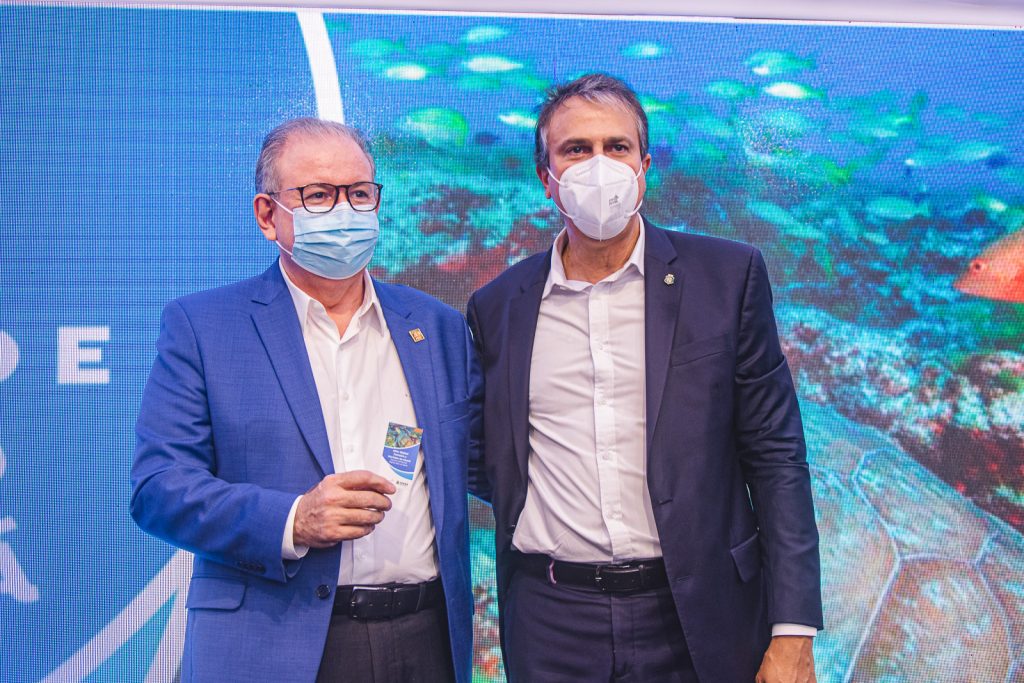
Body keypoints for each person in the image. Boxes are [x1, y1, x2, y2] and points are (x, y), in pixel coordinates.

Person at [466, 74, 823, 682]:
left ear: (644, 167)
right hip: (551, 617)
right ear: (546, 176)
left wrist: (793, 629)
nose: (598, 165)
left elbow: (776, 456)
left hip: (696, 610)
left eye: (617, 147)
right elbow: (488, 456)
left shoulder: (727, 278)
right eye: (576, 149)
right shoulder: (498, 306)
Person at [131, 117, 481, 683]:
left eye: (359, 194)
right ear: (268, 215)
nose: (344, 211)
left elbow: (480, 461)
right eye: (318, 195)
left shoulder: (435, 326)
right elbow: (159, 489)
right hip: (275, 642)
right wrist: (294, 520)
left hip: (425, 640)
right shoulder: (205, 327)